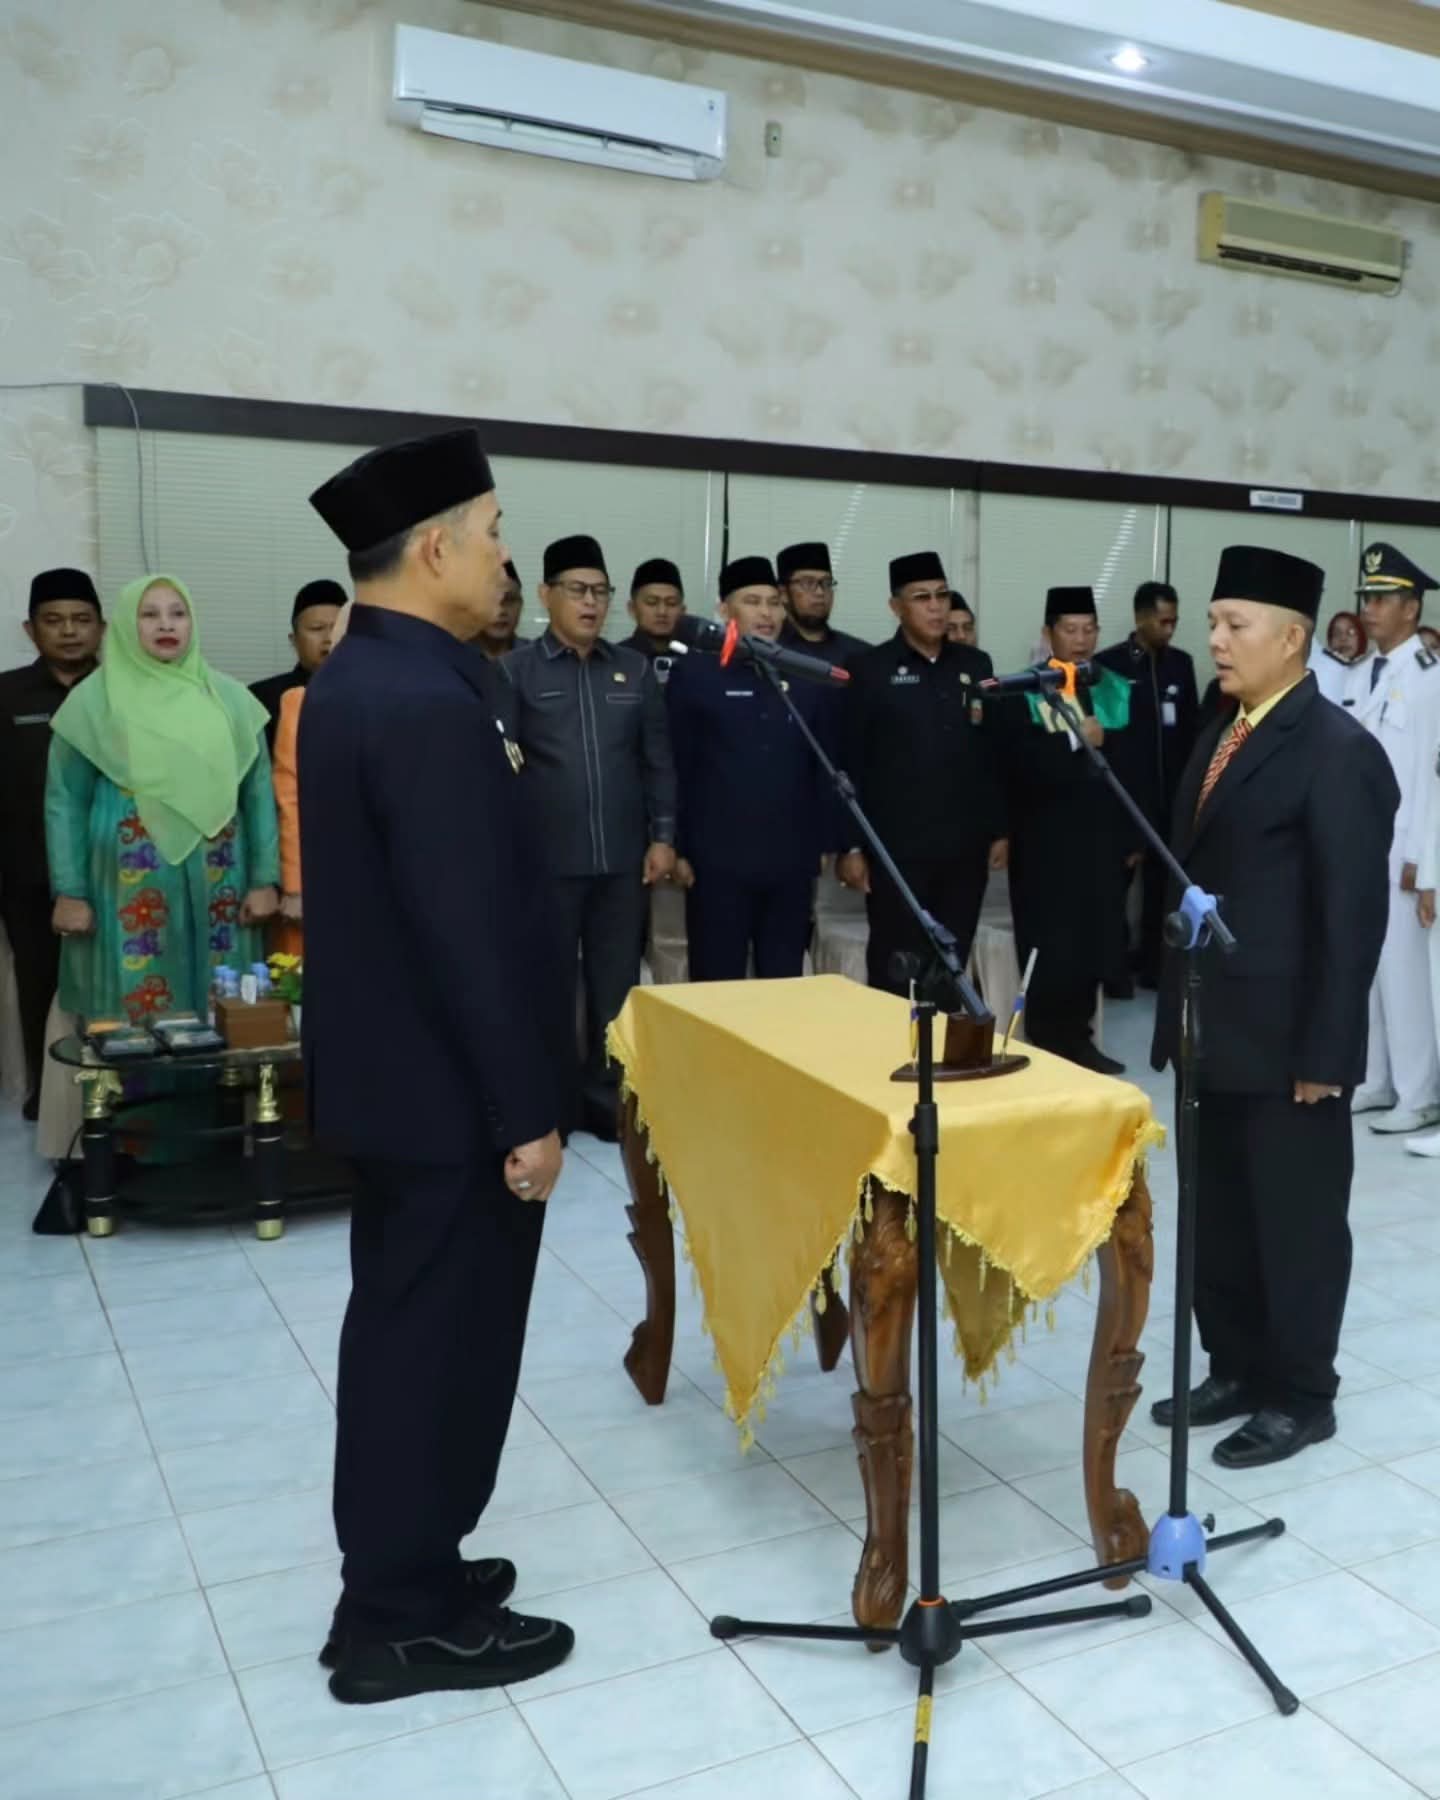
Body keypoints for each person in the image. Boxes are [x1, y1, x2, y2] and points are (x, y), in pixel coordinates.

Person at [302, 427, 574, 1704]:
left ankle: (409, 1567)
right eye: (495, 532)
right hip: (450, 1098)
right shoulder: (420, 701)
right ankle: (397, 1619)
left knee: (417, 1338)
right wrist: (527, 1112)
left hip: (406, 1085)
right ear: (433, 549)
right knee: (433, 1350)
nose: (506, 558)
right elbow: (467, 931)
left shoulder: (374, 674)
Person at [1151, 545, 1397, 1469]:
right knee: (1218, 1217)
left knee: (1294, 1224)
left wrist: (1327, 1053)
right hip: (1210, 1027)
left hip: (1291, 1041)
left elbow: (1351, 919)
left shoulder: (1339, 753)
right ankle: (1237, 1366)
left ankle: (1301, 1392)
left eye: (1234, 624)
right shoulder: (1224, 732)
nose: (1214, 639)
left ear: (1292, 639)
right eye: (1214, 622)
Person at [46, 576, 279, 1023]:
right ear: (125, 625)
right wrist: (70, 891)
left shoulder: (230, 700)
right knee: (132, 1017)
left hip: (221, 880)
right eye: (149, 614)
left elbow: (257, 795)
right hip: (127, 883)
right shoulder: (93, 702)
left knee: (227, 1011)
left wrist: (264, 880)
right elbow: (65, 802)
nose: (165, 625)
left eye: (178, 613)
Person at [504, 534, 676, 1139]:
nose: (591, 603)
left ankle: (607, 1100)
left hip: (622, 863)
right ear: (546, 595)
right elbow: (501, 770)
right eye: (578, 590)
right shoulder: (516, 672)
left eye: (601, 592)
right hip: (547, 864)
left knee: (615, 989)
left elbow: (657, 761)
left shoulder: (633, 670)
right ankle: (553, 1103)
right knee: (549, 989)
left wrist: (663, 837)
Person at [838, 551, 1005, 994]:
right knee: (897, 965)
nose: (936, 607)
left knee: (952, 965)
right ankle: (891, 1038)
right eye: (922, 597)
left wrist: (999, 829)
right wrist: (850, 845)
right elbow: (849, 761)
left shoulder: (975, 665)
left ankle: (946, 1038)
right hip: (897, 851)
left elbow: (992, 753)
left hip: (964, 849)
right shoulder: (869, 669)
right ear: (896, 607)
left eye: (942, 596)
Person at [667, 556, 840, 979]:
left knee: (782, 984)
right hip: (716, 862)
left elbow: (822, 762)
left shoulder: (803, 674)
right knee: (717, 985)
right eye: (752, 601)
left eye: (774, 603)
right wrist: (679, 846)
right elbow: (677, 765)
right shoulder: (696, 673)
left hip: (789, 861)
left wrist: (821, 842)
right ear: (725, 609)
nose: (766, 613)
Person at [1001, 586, 1138, 1075]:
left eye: (1089, 630)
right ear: (1049, 633)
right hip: (1044, 841)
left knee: (1092, 940)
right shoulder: (1024, 690)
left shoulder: (1112, 687)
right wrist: (1079, 742)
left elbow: (1131, 765)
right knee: (1051, 944)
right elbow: (1021, 765)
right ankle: (1046, 1039)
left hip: (1098, 838)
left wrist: (1130, 836)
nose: (1081, 640)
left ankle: (1080, 1038)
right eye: (1070, 630)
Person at [0, 569, 103, 1117]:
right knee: (39, 987)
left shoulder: (123, 693)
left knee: (111, 988)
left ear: (101, 628)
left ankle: (116, 1099)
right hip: (28, 876)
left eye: (81, 620)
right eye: (54, 620)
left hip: (115, 873)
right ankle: (51, 1102)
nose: (68, 631)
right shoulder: (6, 695)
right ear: (30, 629)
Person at [1346, 542, 1440, 1137]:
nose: (1370, 609)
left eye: (1382, 599)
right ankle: (1377, 1079)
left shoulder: (1429, 678)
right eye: (1367, 598)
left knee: (1405, 977)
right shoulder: (1367, 672)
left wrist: (1421, 859)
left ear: (1412, 608)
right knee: (1371, 969)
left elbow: (1432, 774)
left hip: (1406, 849)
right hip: (1366, 843)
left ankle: (1419, 1093)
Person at [1096, 580, 1200, 993]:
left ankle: (1156, 967)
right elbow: (1106, 737)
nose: (1169, 629)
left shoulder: (1181, 664)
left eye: (1174, 621)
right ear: (1140, 618)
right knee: (1114, 891)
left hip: (1169, 799)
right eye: (1162, 621)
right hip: (1124, 799)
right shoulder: (1110, 665)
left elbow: (1191, 732)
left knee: (1163, 889)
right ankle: (1115, 970)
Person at [270, 601, 355, 960]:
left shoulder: (408, 700)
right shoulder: (299, 704)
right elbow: (288, 798)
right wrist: (293, 885)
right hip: (319, 867)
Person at [250, 579, 347, 748]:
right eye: (317, 628)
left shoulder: (374, 695)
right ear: (294, 640)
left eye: (338, 628)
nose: (329, 638)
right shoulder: (260, 700)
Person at [777, 542, 868, 667]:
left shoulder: (860, 654)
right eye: (808, 583)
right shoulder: (767, 652)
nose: (820, 592)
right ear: (783, 593)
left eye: (826, 583)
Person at [621, 558, 685, 683]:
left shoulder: (697, 661)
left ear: (683, 611)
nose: (662, 611)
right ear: (632, 609)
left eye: (671, 603)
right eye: (652, 602)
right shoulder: (613, 660)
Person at [477, 560, 526, 662]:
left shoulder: (539, 659)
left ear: (521, 605)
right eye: (491, 599)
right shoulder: (451, 656)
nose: (501, 610)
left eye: (509, 599)